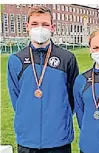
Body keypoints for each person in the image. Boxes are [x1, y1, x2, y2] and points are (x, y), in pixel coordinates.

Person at [7, 6, 79, 153]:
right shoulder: (16, 60)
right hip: (27, 140)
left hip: (59, 140)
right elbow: (17, 99)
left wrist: (59, 117)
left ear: (52, 27)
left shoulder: (67, 58)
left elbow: (73, 98)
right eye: (35, 24)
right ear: (27, 26)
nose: (40, 28)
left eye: (45, 24)